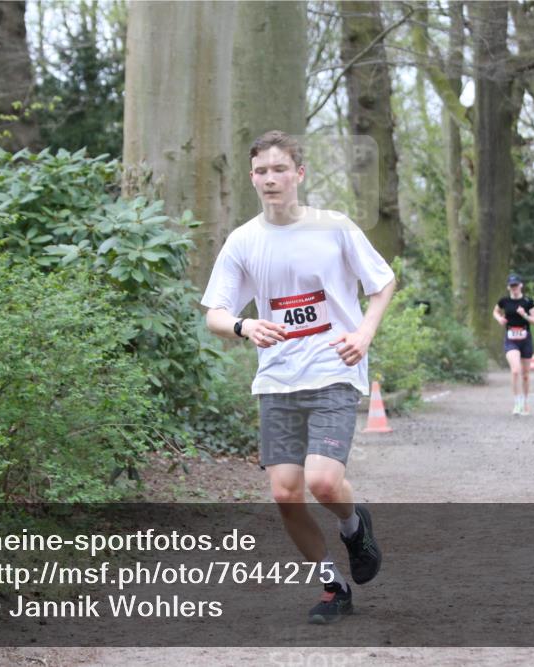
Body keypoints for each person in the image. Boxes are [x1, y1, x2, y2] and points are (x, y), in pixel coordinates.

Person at [201, 130, 395, 624]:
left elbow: (382, 281)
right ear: (252, 178)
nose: (271, 179)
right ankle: (334, 586)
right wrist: (245, 325)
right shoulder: (244, 240)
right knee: (286, 492)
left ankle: (354, 526)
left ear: (299, 174)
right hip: (278, 379)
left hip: (334, 366)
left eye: (280, 169)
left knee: (324, 483)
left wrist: (365, 334)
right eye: (261, 171)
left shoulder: (333, 227)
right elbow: (215, 314)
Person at [492, 273, 534, 415]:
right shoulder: (504, 301)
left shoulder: (528, 302)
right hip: (511, 339)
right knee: (515, 371)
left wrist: (524, 315)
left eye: (516, 285)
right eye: (512, 286)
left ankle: (525, 403)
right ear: (508, 287)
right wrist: (499, 319)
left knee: (525, 374)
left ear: (521, 285)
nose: (514, 288)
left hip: (525, 339)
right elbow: (495, 312)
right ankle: (517, 403)